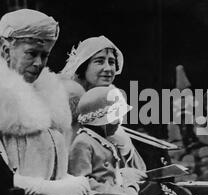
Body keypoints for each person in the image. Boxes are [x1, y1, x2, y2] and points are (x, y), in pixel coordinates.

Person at [0, 9, 90, 195]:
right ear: (6, 50)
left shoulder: (47, 101)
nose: (39, 63)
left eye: (45, 55)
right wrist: (52, 189)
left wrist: (67, 180)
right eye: (31, 54)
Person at [60, 35, 146, 171]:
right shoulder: (70, 94)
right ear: (83, 65)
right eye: (99, 61)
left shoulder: (110, 93)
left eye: (111, 62)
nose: (108, 68)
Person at [68, 86, 147, 195]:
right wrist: (117, 192)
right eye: (115, 118)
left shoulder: (107, 141)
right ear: (99, 121)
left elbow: (112, 174)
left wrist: (127, 182)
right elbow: (82, 181)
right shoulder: (83, 142)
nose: (119, 122)